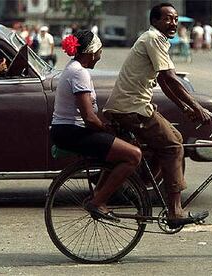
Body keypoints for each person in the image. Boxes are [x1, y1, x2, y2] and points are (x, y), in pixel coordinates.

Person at [103, 3, 212, 228]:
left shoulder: (156, 40)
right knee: (173, 147)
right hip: (132, 109)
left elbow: (163, 81)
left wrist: (185, 109)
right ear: (155, 21)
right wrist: (197, 107)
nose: (172, 23)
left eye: (175, 19)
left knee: (175, 137)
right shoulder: (153, 38)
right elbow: (171, 78)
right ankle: (174, 211)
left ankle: (142, 185)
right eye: (168, 19)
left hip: (132, 107)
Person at [50, 30, 142, 222]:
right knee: (134, 155)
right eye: (99, 52)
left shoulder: (74, 67)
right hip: (70, 132)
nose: (100, 56)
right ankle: (98, 201)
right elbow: (89, 119)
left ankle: (98, 195)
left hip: (69, 130)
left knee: (117, 150)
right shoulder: (79, 73)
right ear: (91, 52)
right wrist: (107, 129)